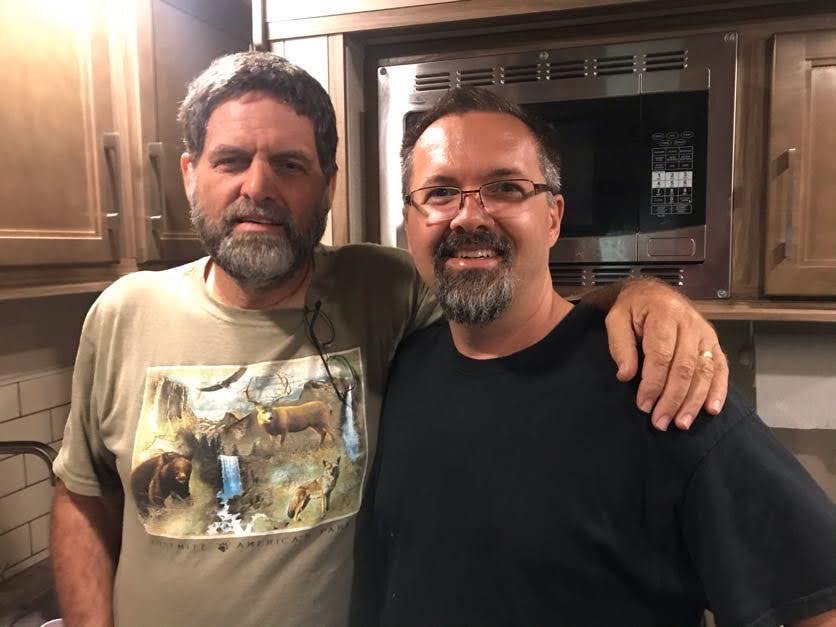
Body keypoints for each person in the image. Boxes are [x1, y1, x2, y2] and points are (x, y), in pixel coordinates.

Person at [50, 53, 728, 627]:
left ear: (328, 187)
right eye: (230, 160)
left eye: (289, 165)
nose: (257, 186)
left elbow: (513, 300)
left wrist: (645, 295)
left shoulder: (384, 290)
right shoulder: (122, 314)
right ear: (189, 174)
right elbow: (84, 497)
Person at [372, 86, 836, 627]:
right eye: (440, 192)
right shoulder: (401, 368)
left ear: (553, 217)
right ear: (410, 221)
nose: (469, 216)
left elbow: (817, 605)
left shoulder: (659, 384)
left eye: (505, 188)